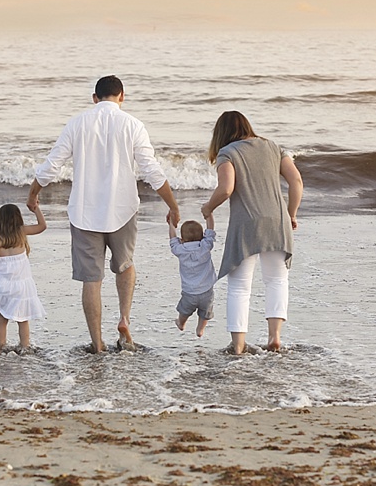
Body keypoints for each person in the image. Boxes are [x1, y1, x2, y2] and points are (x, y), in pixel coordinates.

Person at [27, 75, 180, 353]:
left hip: (84, 213)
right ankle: (124, 319)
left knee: (91, 278)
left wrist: (33, 192)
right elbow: (151, 170)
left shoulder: (77, 123)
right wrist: (173, 204)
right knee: (125, 265)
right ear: (122, 96)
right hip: (123, 210)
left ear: (94, 98)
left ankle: (98, 344)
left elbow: (52, 165)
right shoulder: (133, 124)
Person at [200, 111, 303, 355]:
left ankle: (238, 346)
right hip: (277, 222)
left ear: (221, 134)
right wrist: (291, 214)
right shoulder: (274, 147)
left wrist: (207, 207)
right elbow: (296, 180)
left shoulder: (228, 153)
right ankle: (274, 337)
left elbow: (226, 189)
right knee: (277, 280)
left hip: (246, 225)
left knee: (239, 287)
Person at [0, 203, 48, 352]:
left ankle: (0, 346)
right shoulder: (21, 232)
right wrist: (36, 209)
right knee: (23, 320)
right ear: (18, 219)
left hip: (3, 286)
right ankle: (25, 347)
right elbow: (42, 226)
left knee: (2, 319)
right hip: (21, 287)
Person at [169, 214, 217, 337]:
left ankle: (181, 323)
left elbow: (172, 240)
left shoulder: (180, 250)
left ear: (182, 239)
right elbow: (211, 231)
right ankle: (200, 330)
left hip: (189, 292)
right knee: (205, 313)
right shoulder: (205, 246)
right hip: (207, 290)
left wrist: (171, 223)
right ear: (202, 237)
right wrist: (209, 215)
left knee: (184, 311)